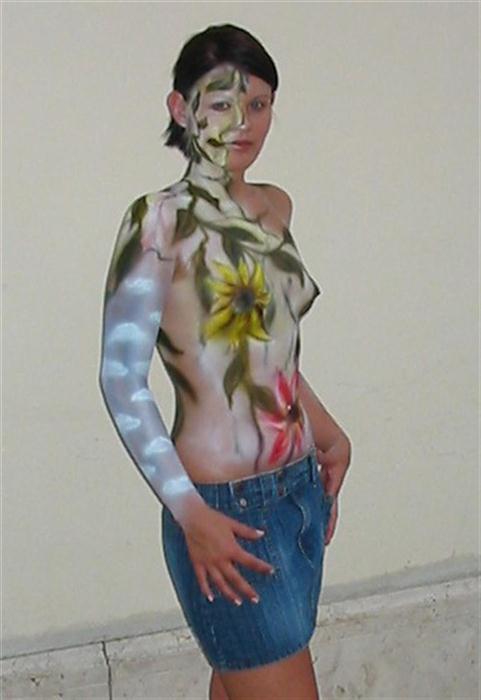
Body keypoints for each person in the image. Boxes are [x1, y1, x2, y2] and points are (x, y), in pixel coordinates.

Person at [99, 22, 351, 700]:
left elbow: (268, 354)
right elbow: (120, 380)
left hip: (299, 495)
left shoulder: (275, 207)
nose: (243, 122)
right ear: (181, 110)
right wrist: (189, 512)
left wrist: (328, 435)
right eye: (221, 102)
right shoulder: (158, 222)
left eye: (259, 103)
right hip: (225, 514)